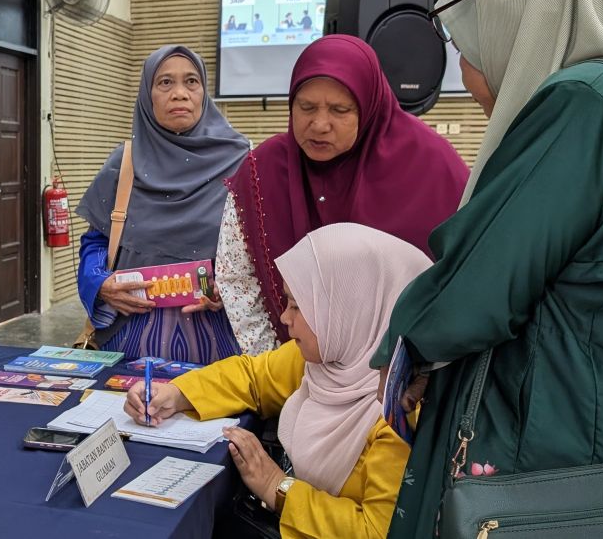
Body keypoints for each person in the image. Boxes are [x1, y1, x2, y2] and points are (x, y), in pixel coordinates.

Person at [371, 0, 603, 537]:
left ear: (527, 20)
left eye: (470, 44)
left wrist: (404, 351)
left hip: (554, 447)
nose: (466, 74)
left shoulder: (584, 102)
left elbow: (483, 280)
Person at [125, 223, 430, 538]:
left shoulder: (399, 410)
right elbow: (254, 377)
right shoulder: (330, 360)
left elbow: (378, 532)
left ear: (350, 311)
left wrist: (277, 488)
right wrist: (176, 393)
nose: (285, 318)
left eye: (298, 307)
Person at [219, 35, 467, 355]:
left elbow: (465, 275)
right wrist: (275, 370)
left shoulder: (431, 165)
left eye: (340, 110)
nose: (320, 124)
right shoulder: (262, 172)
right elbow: (237, 279)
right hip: (286, 374)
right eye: (306, 107)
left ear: (368, 107)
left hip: (400, 379)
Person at [76, 45, 250, 364]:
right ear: (148, 95)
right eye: (165, 83)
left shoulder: (244, 165)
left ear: (204, 92)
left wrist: (229, 288)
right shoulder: (125, 164)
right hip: (129, 342)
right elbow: (97, 241)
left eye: (191, 82)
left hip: (219, 349)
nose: (180, 93)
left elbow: (263, 254)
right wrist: (100, 283)